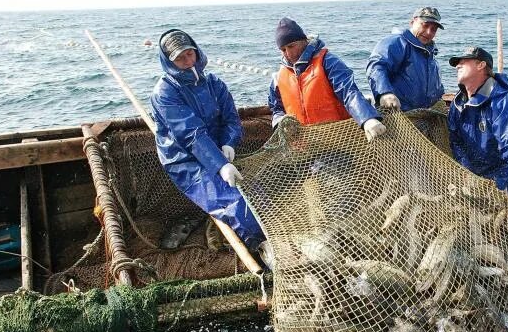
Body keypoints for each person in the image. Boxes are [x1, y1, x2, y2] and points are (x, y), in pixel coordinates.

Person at [150, 29, 266, 253]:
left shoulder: (214, 83)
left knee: (257, 195)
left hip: (218, 151)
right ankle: (258, 248)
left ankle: (243, 233)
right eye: (179, 58)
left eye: (190, 54)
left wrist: (229, 143)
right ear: (168, 61)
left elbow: (231, 119)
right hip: (186, 160)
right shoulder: (164, 93)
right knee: (239, 205)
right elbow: (192, 134)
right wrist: (221, 166)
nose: (187, 61)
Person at [447, 46, 508, 216]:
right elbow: (455, 140)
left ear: (481, 65)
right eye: (458, 62)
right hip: (472, 178)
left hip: (504, 179)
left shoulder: (504, 103)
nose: (458, 65)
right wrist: (467, 171)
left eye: (464, 61)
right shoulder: (457, 104)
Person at [268, 18, 387, 141]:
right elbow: (276, 108)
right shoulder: (278, 76)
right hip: (302, 148)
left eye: (291, 46)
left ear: (303, 41)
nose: (287, 53)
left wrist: (367, 118)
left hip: (338, 143)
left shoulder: (327, 61)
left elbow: (348, 92)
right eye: (283, 50)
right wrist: (280, 121)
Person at [366, 7, 445, 112]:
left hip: (425, 115)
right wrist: (385, 93)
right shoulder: (397, 42)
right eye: (425, 25)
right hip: (399, 114)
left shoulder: (430, 51)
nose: (429, 32)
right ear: (412, 22)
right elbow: (376, 66)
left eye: (434, 29)